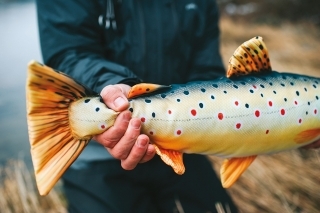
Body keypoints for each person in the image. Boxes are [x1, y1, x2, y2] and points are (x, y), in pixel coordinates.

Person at [35, 0, 320, 212]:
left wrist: (254, 126)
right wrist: (114, 86)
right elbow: (69, 51)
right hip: (96, 155)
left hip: (185, 150)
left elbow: (205, 72)